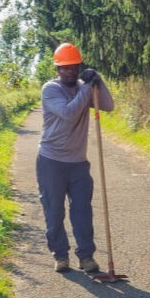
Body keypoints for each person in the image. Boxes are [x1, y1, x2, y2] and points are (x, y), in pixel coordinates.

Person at [37, 42, 114, 273]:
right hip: (51, 161)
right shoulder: (50, 89)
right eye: (65, 67)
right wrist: (87, 88)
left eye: (74, 67)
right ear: (57, 69)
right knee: (54, 211)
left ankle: (86, 256)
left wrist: (98, 81)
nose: (70, 71)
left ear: (79, 66)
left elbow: (108, 106)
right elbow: (69, 114)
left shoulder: (84, 86)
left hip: (78, 162)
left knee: (82, 210)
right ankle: (60, 255)